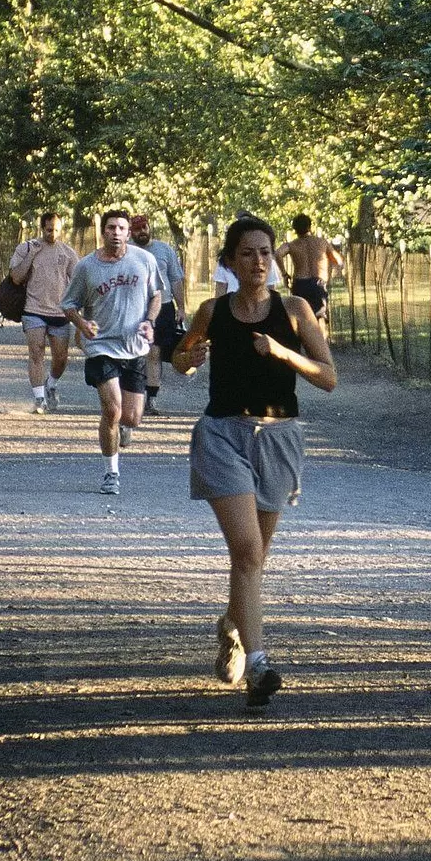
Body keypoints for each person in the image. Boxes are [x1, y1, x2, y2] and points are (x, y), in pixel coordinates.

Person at [172, 214, 338, 708]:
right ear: (230, 261)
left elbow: (328, 377)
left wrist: (285, 355)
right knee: (246, 550)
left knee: (254, 559)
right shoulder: (212, 310)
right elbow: (178, 358)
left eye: (265, 252)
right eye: (247, 253)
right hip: (223, 435)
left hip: (280, 436)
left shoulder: (295, 310)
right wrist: (191, 359)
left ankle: (232, 626)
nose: (259, 261)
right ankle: (260, 665)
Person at [61, 210, 167, 495]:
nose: (116, 232)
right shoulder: (86, 267)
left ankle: (121, 428)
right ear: (103, 232)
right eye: (111, 228)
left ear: (128, 233)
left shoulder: (144, 260)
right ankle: (111, 473)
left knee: (131, 417)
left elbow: (156, 294)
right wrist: (82, 323)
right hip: (101, 346)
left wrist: (149, 321)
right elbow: (69, 304)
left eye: (121, 227)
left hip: (134, 346)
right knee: (112, 409)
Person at [9, 213, 80, 412]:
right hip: (33, 310)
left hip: (60, 313)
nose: (53, 234)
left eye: (57, 230)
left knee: (61, 358)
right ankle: (39, 398)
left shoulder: (68, 253)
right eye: (49, 230)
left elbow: (78, 281)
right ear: (42, 228)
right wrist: (32, 254)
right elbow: (16, 277)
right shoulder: (26, 248)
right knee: (36, 352)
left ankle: (51, 383)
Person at [131, 212, 187, 413]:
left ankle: (151, 399)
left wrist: (181, 307)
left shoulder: (164, 250)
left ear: (149, 227)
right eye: (137, 229)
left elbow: (176, 279)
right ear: (131, 232)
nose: (142, 232)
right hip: (135, 307)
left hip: (162, 306)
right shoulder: (127, 251)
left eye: (144, 228)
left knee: (154, 351)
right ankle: (132, 394)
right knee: (135, 353)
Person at [280, 214, 343, 316]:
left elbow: (278, 254)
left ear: (295, 229)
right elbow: (338, 260)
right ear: (309, 227)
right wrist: (329, 267)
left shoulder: (291, 245)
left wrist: (284, 274)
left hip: (300, 284)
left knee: (301, 317)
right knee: (320, 316)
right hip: (318, 284)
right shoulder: (322, 242)